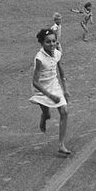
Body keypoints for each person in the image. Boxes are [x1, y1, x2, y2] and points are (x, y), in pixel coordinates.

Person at [29, 27, 70, 155]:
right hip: (41, 89)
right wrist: (50, 96)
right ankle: (44, 116)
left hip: (54, 85)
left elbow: (60, 69)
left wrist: (65, 89)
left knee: (64, 111)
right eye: (48, 42)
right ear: (42, 43)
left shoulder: (57, 53)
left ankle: (61, 144)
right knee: (47, 114)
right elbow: (35, 82)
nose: (52, 44)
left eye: (54, 41)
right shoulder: (39, 58)